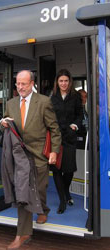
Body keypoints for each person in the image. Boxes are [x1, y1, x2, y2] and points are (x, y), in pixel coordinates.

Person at [1, 70, 61, 249]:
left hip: (39, 156)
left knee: (39, 189)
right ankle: (23, 234)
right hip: (20, 157)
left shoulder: (43, 102)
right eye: (18, 84)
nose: (20, 87)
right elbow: (7, 121)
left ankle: (43, 209)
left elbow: (55, 129)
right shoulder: (11, 103)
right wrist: (4, 122)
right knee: (24, 194)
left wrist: (54, 151)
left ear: (32, 83)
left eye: (24, 84)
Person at [51, 69, 83, 214]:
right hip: (56, 138)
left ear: (70, 82)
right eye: (61, 81)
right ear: (57, 83)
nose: (63, 83)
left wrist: (75, 126)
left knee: (69, 170)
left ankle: (65, 193)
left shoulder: (75, 97)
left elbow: (79, 115)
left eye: (66, 81)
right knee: (57, 169)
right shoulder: (52, 98)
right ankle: (63, 200)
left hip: (69, 137)